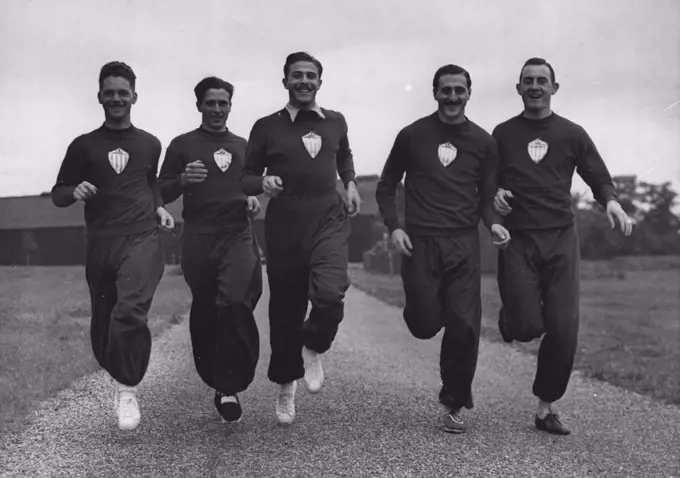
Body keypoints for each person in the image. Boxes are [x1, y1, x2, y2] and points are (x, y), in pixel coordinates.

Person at [492, 57, 633, 435]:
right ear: (518, 88)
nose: (535, 86)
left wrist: (613, 203)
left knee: (564, 327)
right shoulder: (502, 134)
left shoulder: (572, 133)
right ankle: (511, 318)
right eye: (528, 81)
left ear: (555, 88)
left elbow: (598, 176)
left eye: (542, 80)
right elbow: (486, 179)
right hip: (518, 239)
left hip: (560, 239)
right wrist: (495, 192)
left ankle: (545, 407)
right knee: (524, 326)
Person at [376, 64, 511, 434]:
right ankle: (424, 316)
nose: (453, 96)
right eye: (446, 90)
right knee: (422, 324)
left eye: (459, 90)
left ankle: (454, 402)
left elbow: (486, 199)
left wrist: (494, 223)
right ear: (434, 92)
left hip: (464, 245)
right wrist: (395, 227)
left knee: (465, 325)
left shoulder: (484, 143)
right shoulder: (411, 136)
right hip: (420, 244)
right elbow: (386, 187)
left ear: (470, 93)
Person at [51, 61, 174, 431]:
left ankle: (128, 390)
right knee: (104, 323)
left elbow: (150, 182)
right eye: (110, 92)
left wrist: (160, 207)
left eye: (123, 92)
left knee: (131, 309)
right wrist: (74, 191)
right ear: (100, 97)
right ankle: (117, 371)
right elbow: (58, 193)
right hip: (102, 242)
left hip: (143, 236)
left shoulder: (150, 143)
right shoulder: (83, 145)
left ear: (135, 96)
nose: (117, 98)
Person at [240, 51, 361, 425]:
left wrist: (351, 183)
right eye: (297, 75)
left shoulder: (336, 121)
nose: (304, 81)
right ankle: (285, 388)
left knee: (329, 292)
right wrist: (262, 183)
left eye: (311, 75)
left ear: (320, 82)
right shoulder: (266, 126)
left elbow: (344, 157)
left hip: (328, 219)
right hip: (285, 225)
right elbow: (245, 176)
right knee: (286, 309)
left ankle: (314, 344)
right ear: (285, 81)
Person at [158, 76, 262, 424]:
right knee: (207, 309)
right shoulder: (182, 145)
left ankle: (232, 384)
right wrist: (183, 181)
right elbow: (160, 191)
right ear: (199, 105)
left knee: (234, 300)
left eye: (223, 102)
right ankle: (217, 380)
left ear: (231, 106)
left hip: (236, 233)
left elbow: (252, 184)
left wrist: (251, 197)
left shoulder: (244, 145)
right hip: (199, 236)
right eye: (211, 102)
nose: (217, 108)